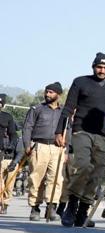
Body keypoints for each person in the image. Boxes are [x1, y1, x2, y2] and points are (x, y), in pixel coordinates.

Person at [56, 53, 105, 226]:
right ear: (93, 66)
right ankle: (71, 206)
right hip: (81, 131)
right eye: (99, 67)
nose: (102, 71)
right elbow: (68, 108)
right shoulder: (80, 82)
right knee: (84, 166)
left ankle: (83, 211)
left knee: (98, 173)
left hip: (104, 135)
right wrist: (59, 131)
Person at [22, 83, 65, 220]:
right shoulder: (36, 109)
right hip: (39, 146)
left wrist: (67, 149)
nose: (47, 94)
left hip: (58, 149)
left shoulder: (64, 112)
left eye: (51, 92)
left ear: (58, 94)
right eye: (47, 92)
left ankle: (51, 208)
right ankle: (35, 208)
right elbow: (27, 127)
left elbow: (68, 130)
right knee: (36, 178)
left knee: (56, 179)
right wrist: (27, 145)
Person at [0, 94, 19, 214]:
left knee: (8, 183)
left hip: (4, 154)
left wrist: (11, 145)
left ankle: (5, 204)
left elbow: (13, 135)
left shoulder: (7, 117)